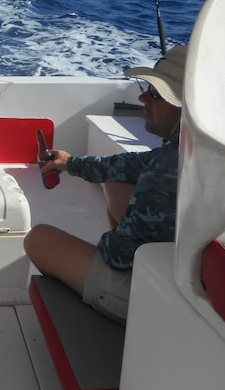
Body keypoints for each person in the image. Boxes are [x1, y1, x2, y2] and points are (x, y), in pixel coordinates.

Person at [24, 44, 187, 325]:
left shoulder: (168, 171)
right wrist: (70, 163)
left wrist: (105, 247)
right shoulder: (189, 148)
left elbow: (117, 253)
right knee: (116, 181)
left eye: (156, 95)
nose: (142, 98)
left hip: (153, 299)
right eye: (147, 88)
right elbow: (129, 166)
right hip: (182, 269)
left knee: (39, 239)